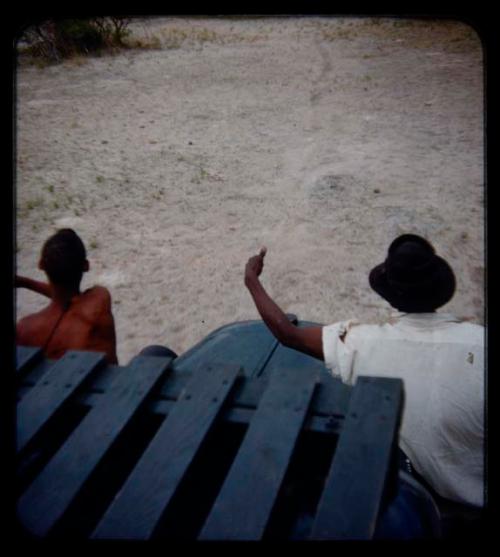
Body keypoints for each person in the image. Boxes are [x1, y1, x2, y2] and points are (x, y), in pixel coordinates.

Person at [244, 234, 484, 515]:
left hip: (409, 505)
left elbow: (288, 334)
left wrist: (252, 280)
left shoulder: (362, 343)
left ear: (389, 291)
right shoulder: (479, 343)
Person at [16, 228, 118, 364]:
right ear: (86, 266)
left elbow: (63, 297)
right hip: (108, 385)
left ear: (41, 265)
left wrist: (24, 282)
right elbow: (71, 298)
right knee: (153, 351)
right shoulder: (100, 299)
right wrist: (27, 283)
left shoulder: (25, 329)